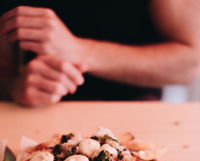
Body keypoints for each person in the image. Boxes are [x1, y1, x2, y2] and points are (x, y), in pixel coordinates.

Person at [0, 0, 200, 106]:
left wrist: (79, 50)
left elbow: (191, 62)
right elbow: (4, 71)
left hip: (135, 118)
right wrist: (13, 87)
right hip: (34, 116)